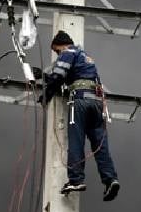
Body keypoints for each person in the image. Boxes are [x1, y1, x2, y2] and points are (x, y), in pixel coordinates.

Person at [40, 30, 120, 202]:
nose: (57, 54)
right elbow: (77, 76)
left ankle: (76, 180)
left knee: (76, 141)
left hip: (80, 102)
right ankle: (110, 179)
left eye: (56, 50)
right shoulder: (86, 57)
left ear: (62, 44)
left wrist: (46, 94)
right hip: (97, 104)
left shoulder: (68, 53)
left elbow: (59, 75)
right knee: (100, 145)